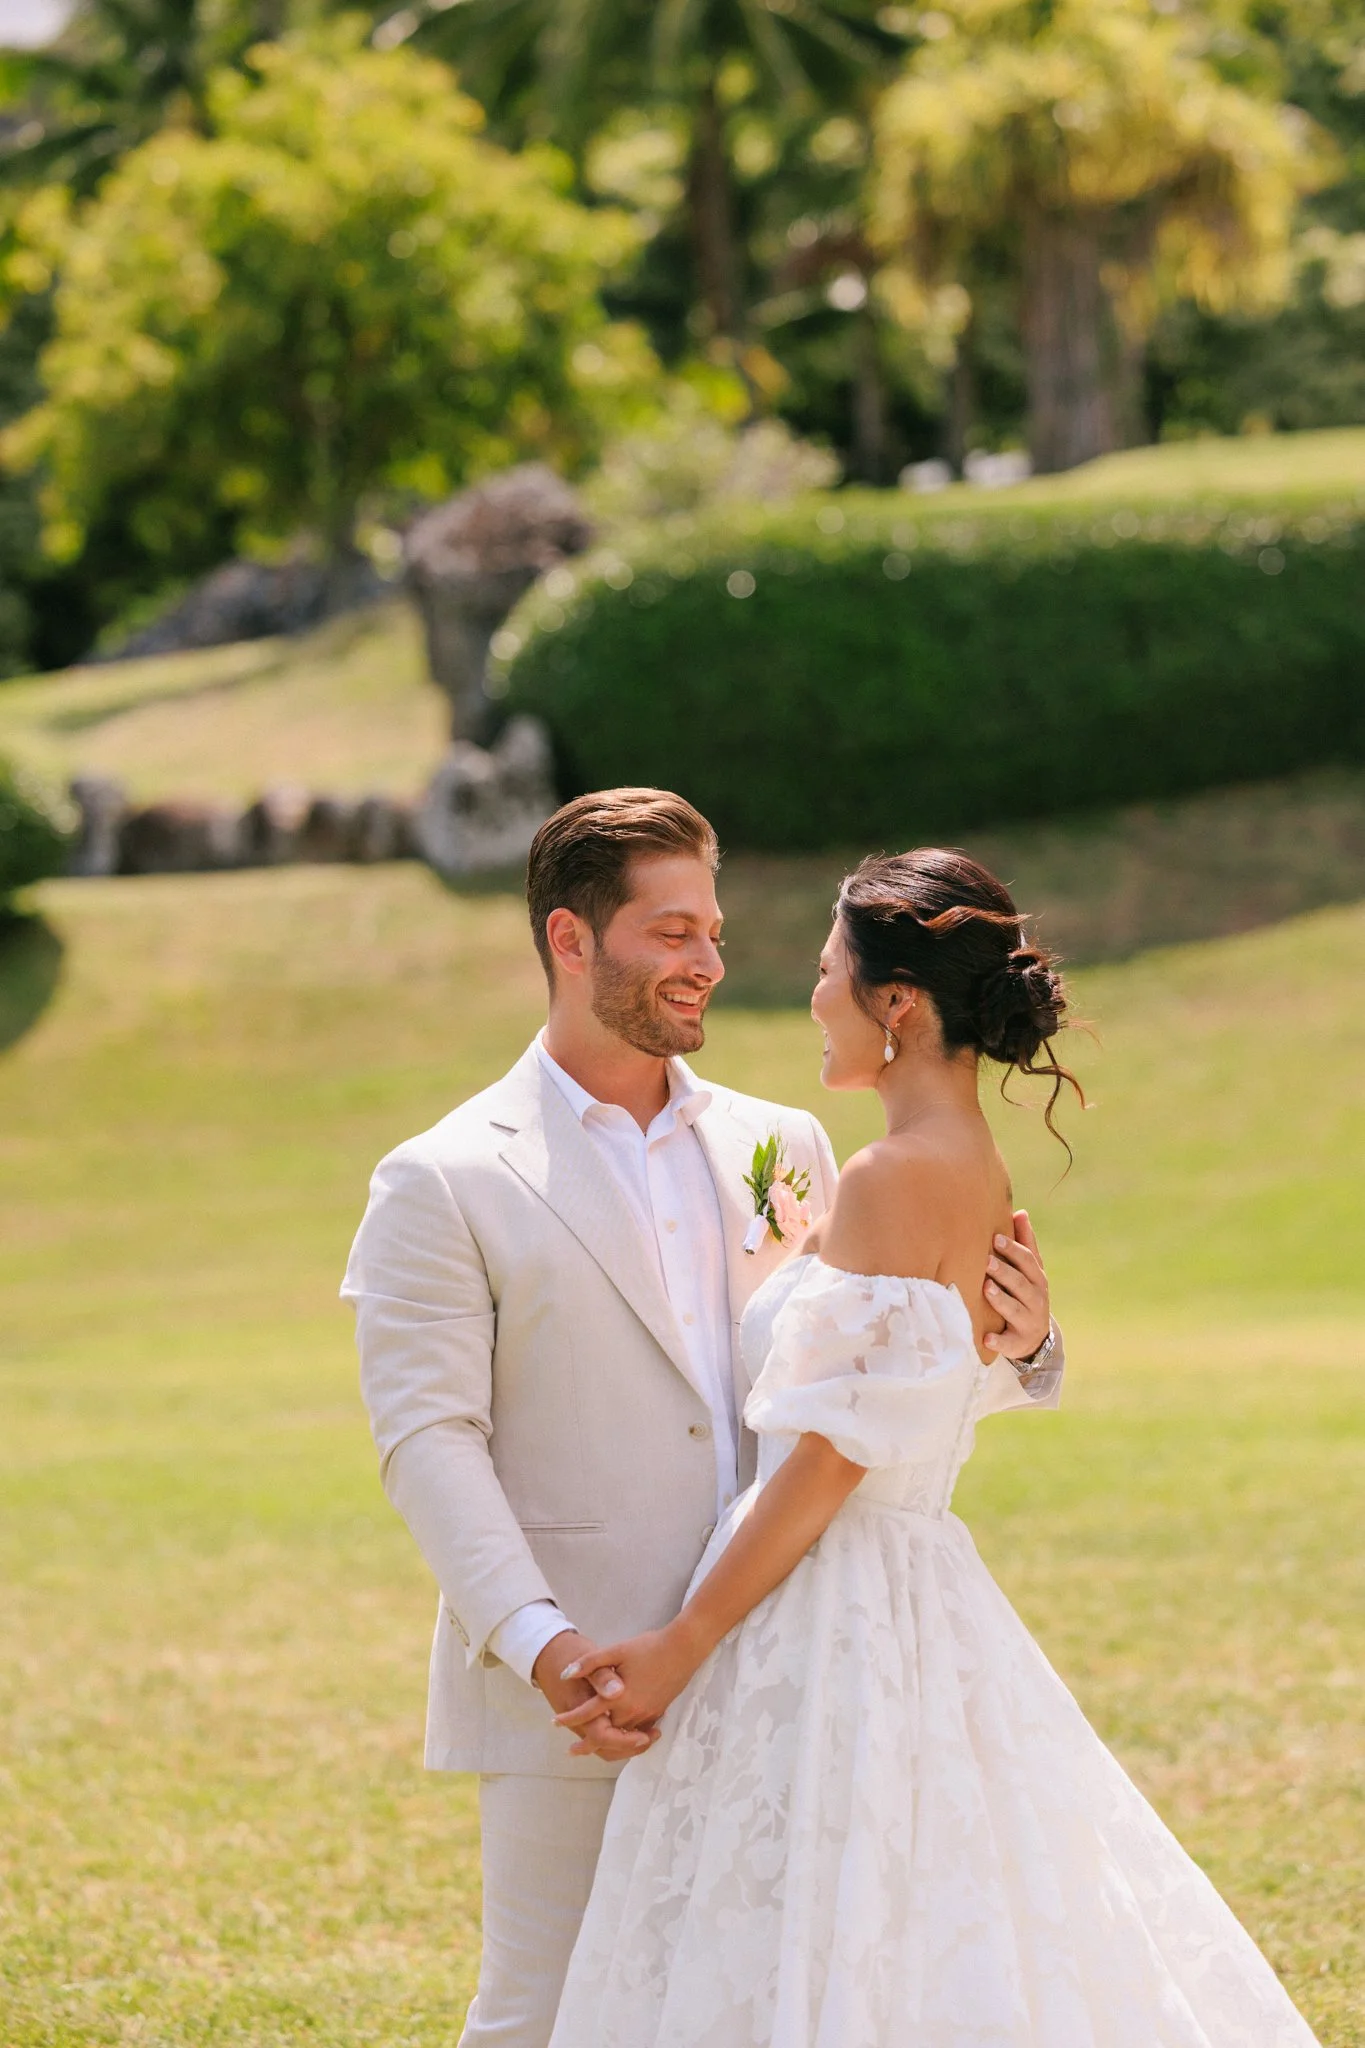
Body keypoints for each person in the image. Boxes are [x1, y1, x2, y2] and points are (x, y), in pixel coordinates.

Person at [547, 847, 1321, 2048]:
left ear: (895, 1002)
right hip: (913, 1583)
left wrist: (685, 1641)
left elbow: (832, 1458)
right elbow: (923, 1388)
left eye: (824, 971)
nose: (808, 996)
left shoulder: (890, 1176)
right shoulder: (970, 1165)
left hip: (839, 1595)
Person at [341, 794, 1061, 2048]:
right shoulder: (442, 1176)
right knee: (546, 2015)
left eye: (714, 930)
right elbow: (426, 1440)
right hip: (579, 1680)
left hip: (787, 1670)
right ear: (572, 938)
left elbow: (870, 1384)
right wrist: (541, 1640)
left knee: (755, 2009)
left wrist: (1032, 1342)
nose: (711, 962)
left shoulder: (785, 1143)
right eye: (672, 931)